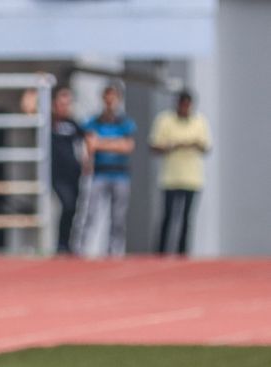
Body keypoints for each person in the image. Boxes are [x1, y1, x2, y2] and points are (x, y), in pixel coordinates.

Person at [149, 90, 211, 255]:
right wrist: (173, 145)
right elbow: (154, 145)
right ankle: (160, 252)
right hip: (170, 177)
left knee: (186, 219)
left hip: (192, 178)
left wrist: (192, 144)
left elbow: (206, 146)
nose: (184, 108)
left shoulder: (199, 121)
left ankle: (182, 253)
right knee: (168, 216)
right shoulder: (165, 120)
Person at [78, 84, 137, 257]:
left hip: (120, 175)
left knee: (118, 218)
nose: (110, 101)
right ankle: (83, 252)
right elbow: (90, 144)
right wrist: (114, 144)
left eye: (114, 97)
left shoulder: (125, 123)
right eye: (107, 96)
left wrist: (101, 143)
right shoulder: (93, 122)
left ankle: (114, 253)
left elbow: (127, 147)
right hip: (99, 174)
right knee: (91, 214)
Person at [50, 87, 86, 254]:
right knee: (67, 204)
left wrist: (88, 161)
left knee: (73, 210)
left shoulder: (73, 124)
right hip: (57, 175)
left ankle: (69, 244)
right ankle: (61, 244)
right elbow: (28, 107)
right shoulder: (48, 122)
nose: (64, 107)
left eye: (67, 103)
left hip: (74, 174)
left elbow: (88, 141)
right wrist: (38, 84)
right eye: (61, 103)